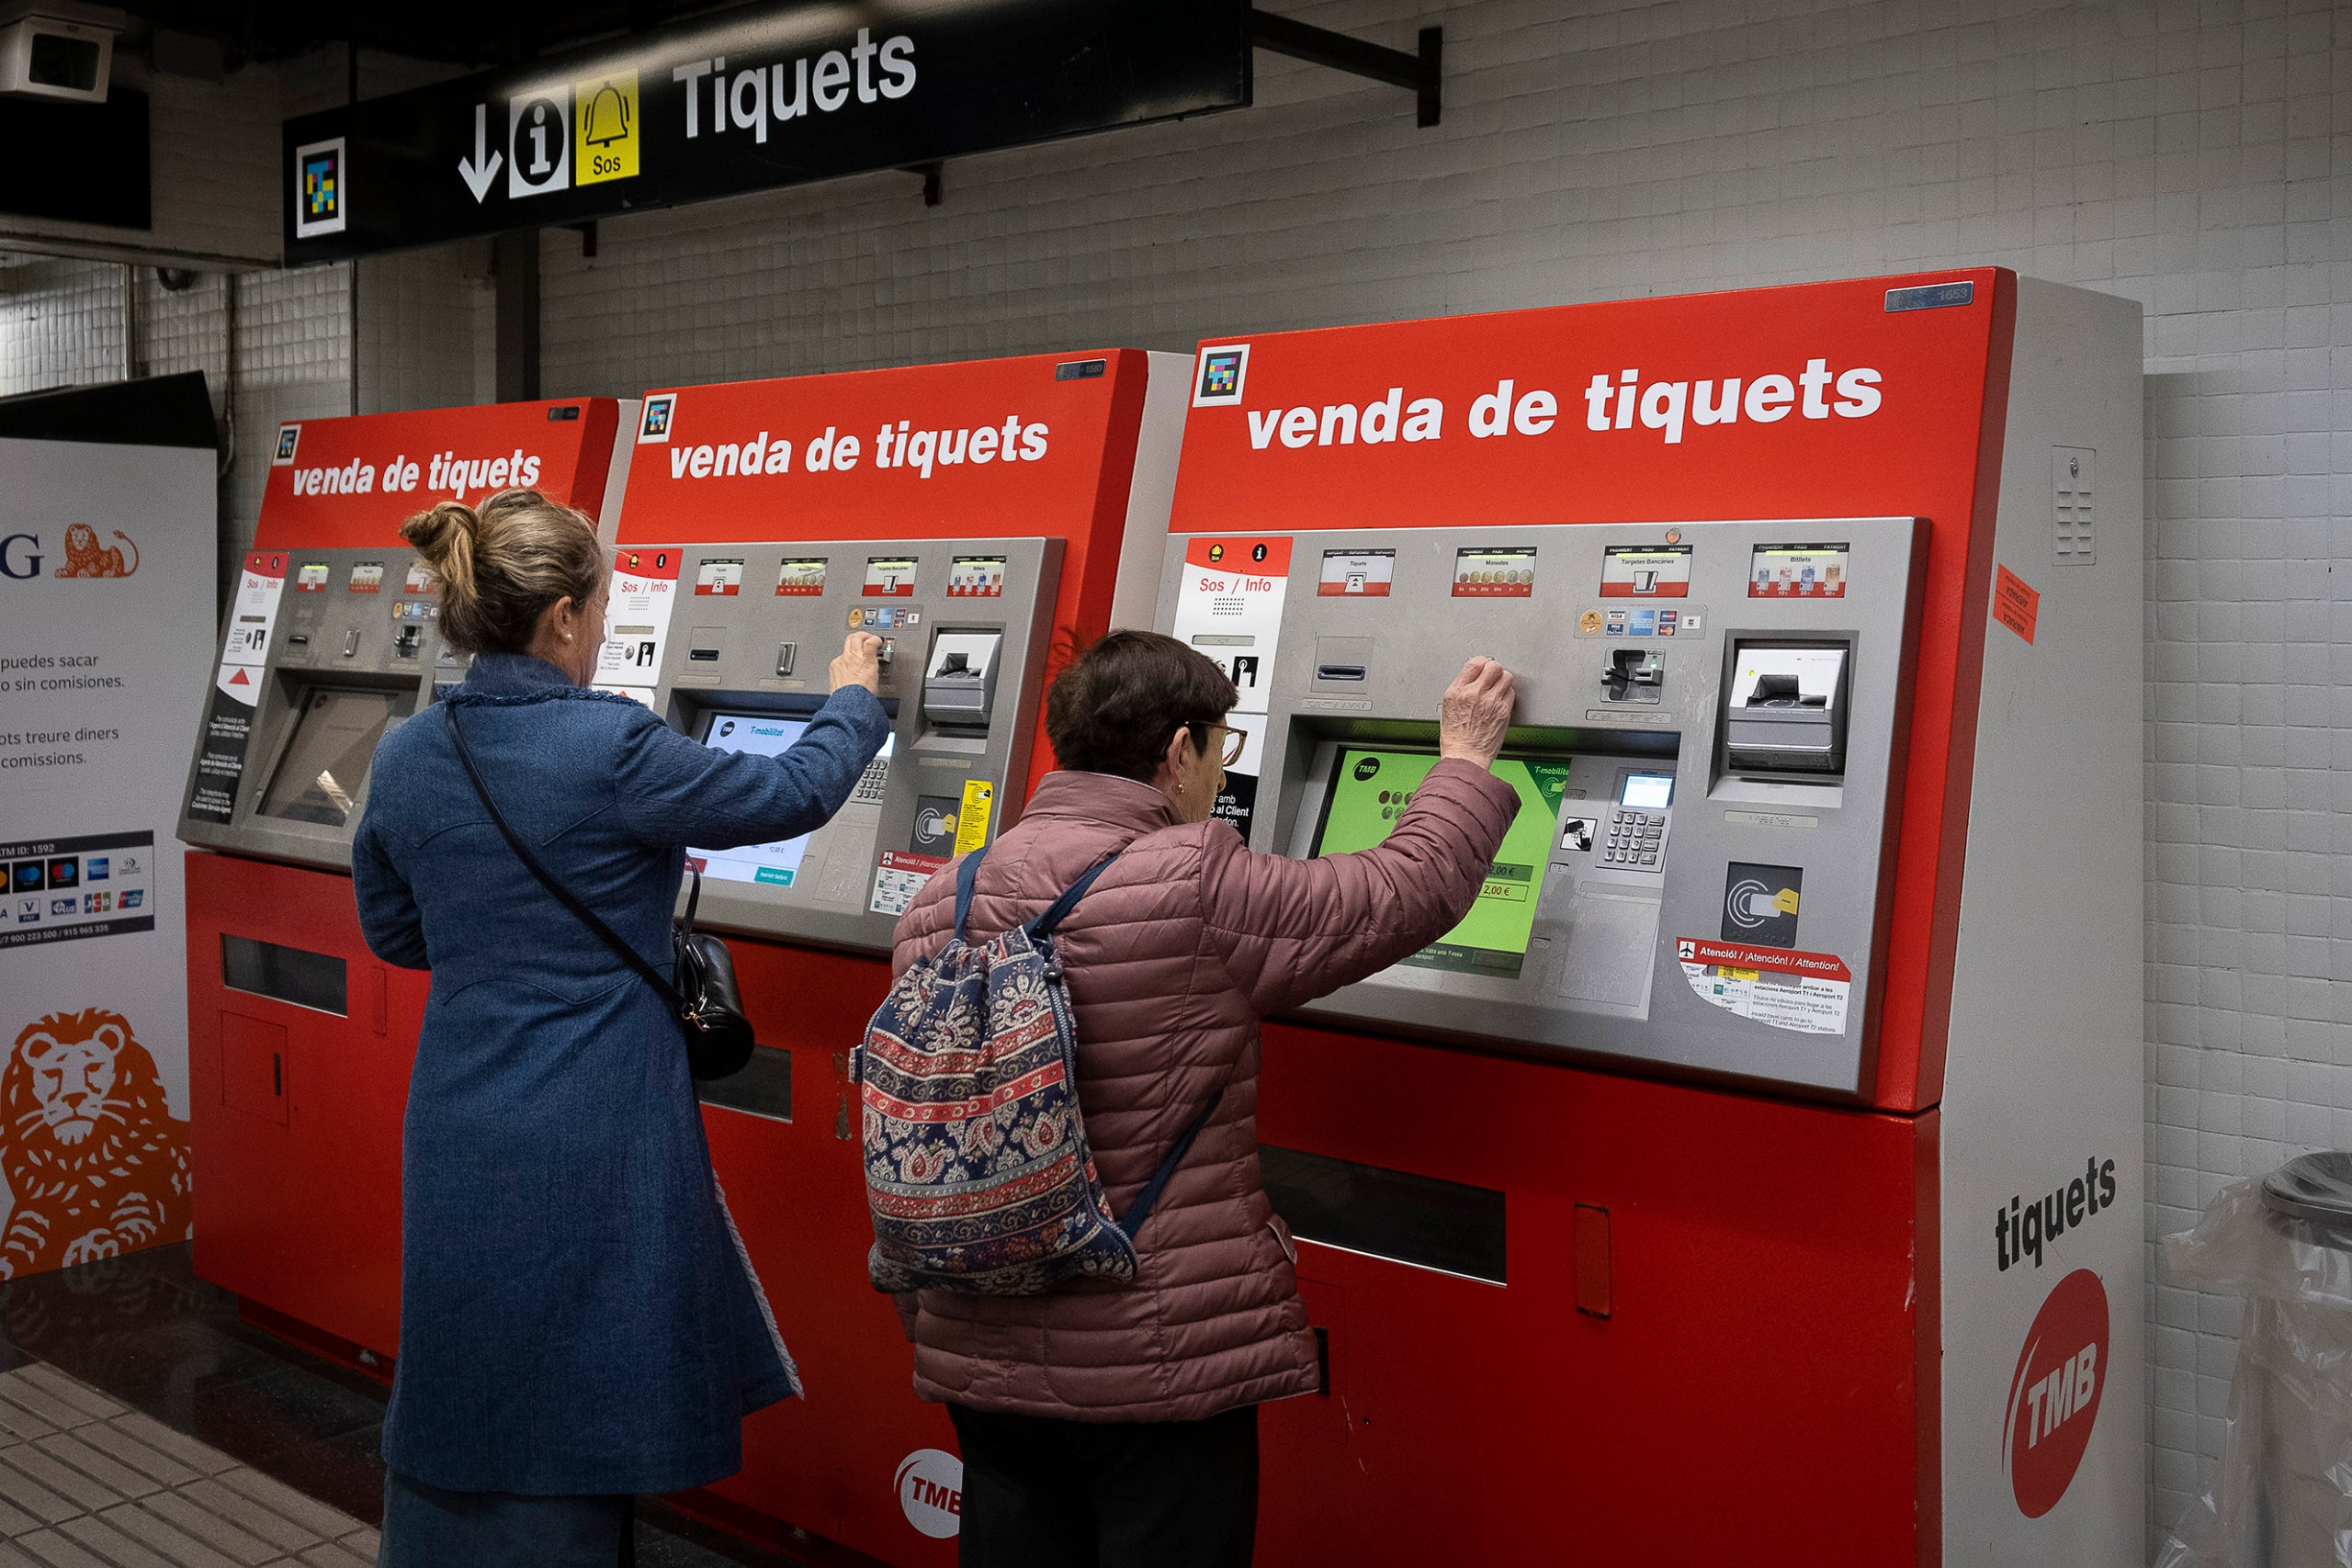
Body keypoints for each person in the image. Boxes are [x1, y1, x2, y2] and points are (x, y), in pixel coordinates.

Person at [888, 629, 1521, 1568]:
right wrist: (1464, 763)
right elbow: (1401, 889)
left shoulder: (944, 893)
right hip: (1155, 1346)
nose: (1220, 772)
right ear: (1179, 750)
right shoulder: (1194, 881)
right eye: (1222, 748)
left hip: (978, 1332)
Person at [350, 489, 891, 1566]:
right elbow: (789, 793)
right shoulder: (608, 745)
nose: (602, 630)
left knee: (474, 1351)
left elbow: (394, 931)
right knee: (584, 1363)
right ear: (559, 616)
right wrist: (854, 699)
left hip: (460, 1111)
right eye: (599, 608)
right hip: (597, 1111)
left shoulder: (410, 753)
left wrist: (497, 956)